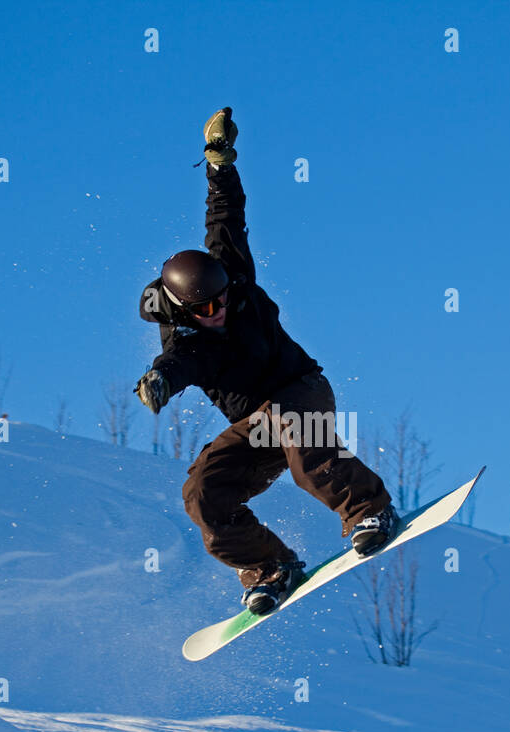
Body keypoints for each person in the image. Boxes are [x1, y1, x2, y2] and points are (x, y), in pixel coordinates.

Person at [134, 107, 397, 615]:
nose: (222, 311)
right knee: (203, 491)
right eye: (208, 309)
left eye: (224, 299)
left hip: (301, 391)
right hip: (258, 425)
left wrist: (218, 162)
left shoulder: (231, 276)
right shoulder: (187, 339)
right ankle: (270, 565)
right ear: (187, 311)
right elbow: (179, 363)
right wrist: (160, 380)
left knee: (304, 449)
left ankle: (370, 510)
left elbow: (225, 214)